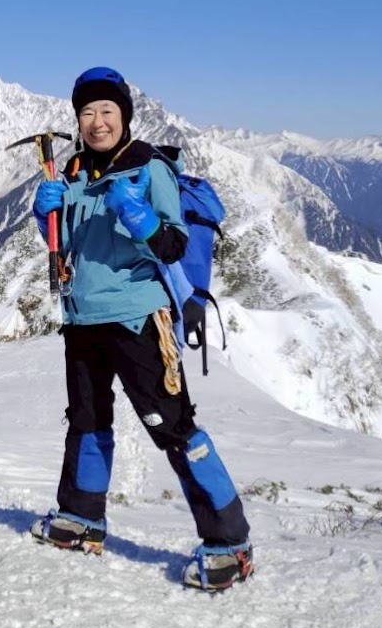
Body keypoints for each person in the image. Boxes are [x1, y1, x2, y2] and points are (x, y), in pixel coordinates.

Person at [29, 67, 252, 591]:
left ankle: (230, 542)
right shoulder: (74, 171)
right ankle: (81, 517)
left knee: (173, 427)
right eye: (87, 112)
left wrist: (142, 219)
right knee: (86, 421)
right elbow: (69, 247)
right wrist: (46, 219)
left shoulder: (150, 168)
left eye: (107, 110)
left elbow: (174, 244)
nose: (97, 121)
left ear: (124, 115)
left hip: (138, 319)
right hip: (82, 319)